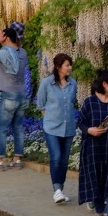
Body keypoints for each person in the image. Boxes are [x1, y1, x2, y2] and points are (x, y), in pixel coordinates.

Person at [0, 26, 30, 170]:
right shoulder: (23, 53)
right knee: (18, 128)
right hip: (22, 94)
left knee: (1, 129)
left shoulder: (3, 53)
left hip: (7, 94)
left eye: (1, 36)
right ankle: (17, 160)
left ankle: (0, 160)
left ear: (6, 38)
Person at [79, 70, 108, 216]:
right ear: (105, 84)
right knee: (97, 182)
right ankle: (100, 215)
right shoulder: (89, 102)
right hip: (94, 149)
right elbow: (80, 123)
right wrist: (90, 130)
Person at [37, 53, 78, 204]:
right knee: (56, 157)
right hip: (51, 127)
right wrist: (48, 119)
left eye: (70, 65)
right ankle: (57, 190)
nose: (69, 68)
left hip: (68, 127)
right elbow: (41, 104)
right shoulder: (47, 83)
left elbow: (73, 102)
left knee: (64, 160)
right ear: (58, 66)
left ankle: (60, 189)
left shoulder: (73, 83)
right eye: (67, 65)